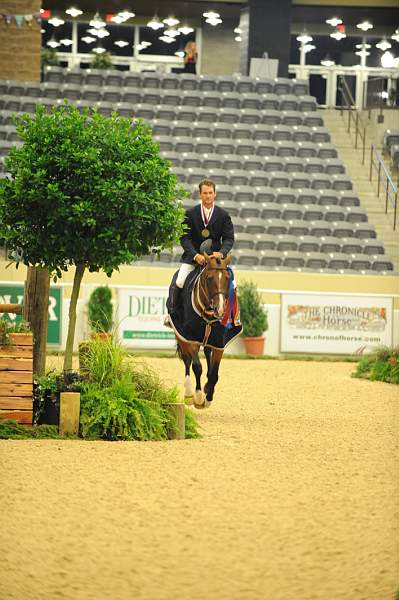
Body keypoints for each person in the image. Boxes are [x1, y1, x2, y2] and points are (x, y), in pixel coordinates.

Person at [166, 178, 235, 320]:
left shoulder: (223, 215)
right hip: (194, 258)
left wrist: (221, 253)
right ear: (200, 194)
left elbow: (229, 239)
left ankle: (232, 317)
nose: (208, 196)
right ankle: (172, 314)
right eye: (205, 193)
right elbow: (184, 238)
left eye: (210, 193)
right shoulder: (190, 214)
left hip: (215, 261)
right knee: (179, 280)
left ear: (215, 194)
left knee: (233, 283)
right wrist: (195, 255)